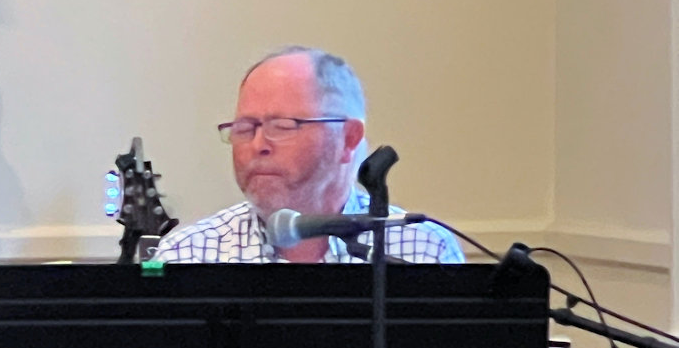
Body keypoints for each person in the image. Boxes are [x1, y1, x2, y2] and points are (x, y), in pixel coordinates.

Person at [154, 46, 464, 264]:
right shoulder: (187, 255)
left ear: (348, 139)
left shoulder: (424, 250)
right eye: (245, 128)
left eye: (282, 126)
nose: (258, 144)